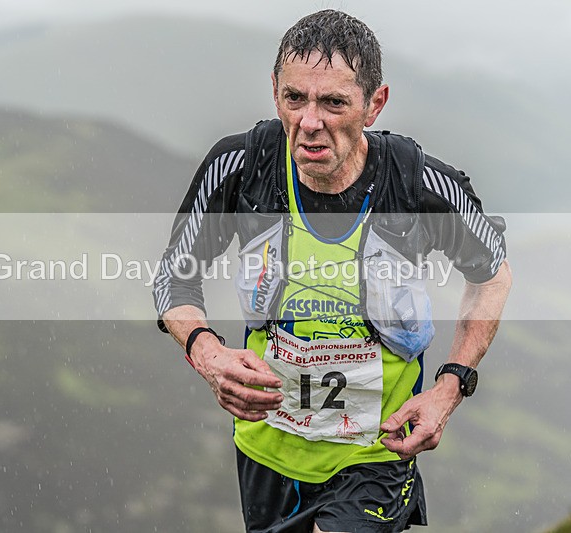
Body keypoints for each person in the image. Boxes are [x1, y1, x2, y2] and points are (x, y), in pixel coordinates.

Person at [153, 10, 512, 533]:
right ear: (274, 90)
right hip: (266, 452)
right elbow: (173, 278)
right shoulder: (240, 168)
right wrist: (206, 352)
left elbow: (493, 276)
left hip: (375, 454)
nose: (310, 121)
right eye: (294, 98)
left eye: (334, 102)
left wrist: (450, 386)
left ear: (374, 104)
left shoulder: (419, 186)